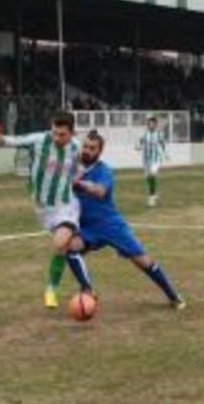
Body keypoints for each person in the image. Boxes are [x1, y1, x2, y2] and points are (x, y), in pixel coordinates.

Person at [67, 130, 186, 310]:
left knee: (143, 262)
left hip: (110, 224)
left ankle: (172, 296)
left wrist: (78, 183)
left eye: (92, 148)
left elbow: (100, 191)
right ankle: (87, 289)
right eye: (85, 146)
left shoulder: (103, 170)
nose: (87, 151)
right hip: (88, 228)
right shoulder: (72, 168)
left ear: (99, 151)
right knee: (69, 247)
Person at [0, 111, 92, 309]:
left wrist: (78, 180)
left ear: (72, 133)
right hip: (42, 208)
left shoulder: (75, 147)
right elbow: (7, 142)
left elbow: (78, 168)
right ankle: (82, 262)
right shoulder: (38, 140)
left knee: (61, 243)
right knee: (64, 247)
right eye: (54, 133)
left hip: (66, 205)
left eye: (62, 134)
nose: (57, 138)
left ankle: (51, 289)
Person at [137, 116, 166, 207]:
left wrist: (164, 153)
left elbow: (162, 144)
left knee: (152, 175)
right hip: (146, 160)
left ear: (156, 125)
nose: (151, 125)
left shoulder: (159, 134)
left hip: (155, 159)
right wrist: (138, 146)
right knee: (149, 178)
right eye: (149, 124)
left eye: (153, 124)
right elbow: (139, 143)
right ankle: (154, 194)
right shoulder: (144, 135)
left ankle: (151, 199)